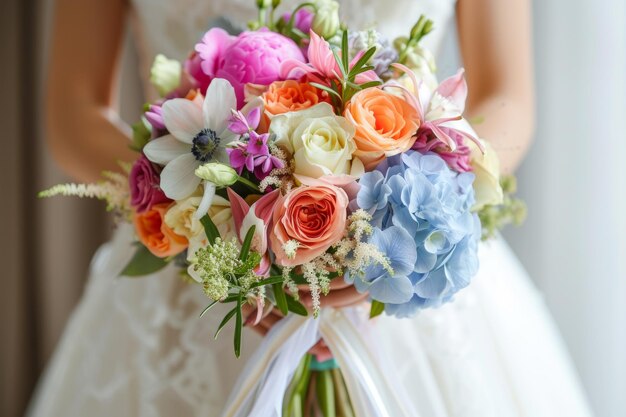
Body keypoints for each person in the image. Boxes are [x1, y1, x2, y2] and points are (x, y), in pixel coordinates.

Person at [29, 0, 593, 416]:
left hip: (409, 261)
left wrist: (393, 214)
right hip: (198, 260)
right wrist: (199, 211)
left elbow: (508, 96)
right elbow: (72, 113)